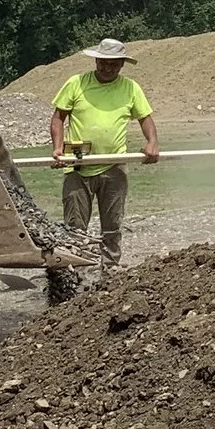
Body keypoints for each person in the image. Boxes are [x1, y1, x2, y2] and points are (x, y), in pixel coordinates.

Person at [48, 37, 159, 268]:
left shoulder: (130, 88)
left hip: (114, 164)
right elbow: (58, 118)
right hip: (78, 165)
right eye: (104, 63)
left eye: (114, 64)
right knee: (75, 225)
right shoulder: (76, 83)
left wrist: (152, 142)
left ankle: (110, 269)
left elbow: (145, 118)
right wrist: (58, 148)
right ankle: (75, 270)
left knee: (112, 224)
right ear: (96, 61)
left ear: (122, 65)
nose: (108, 68)